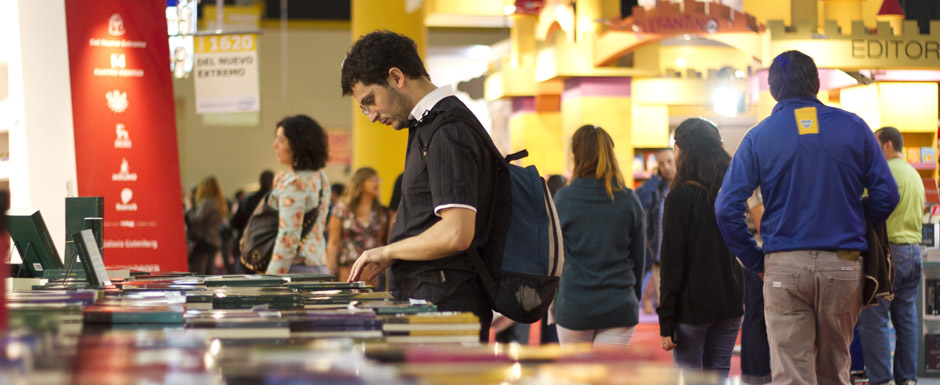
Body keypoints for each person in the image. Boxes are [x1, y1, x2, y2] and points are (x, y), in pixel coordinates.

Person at [715, 50, 899, 385]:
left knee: (791, 376)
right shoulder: (855, 127)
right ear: (816, 84)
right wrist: (856, 221)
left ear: (773, 90)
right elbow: (887, 194)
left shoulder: (759, 136)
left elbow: (726, 207)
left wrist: (755, 260)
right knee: (836, 371)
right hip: (843, 262)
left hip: (784, 265)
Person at [341, 30, 499, 341]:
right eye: (363, 108)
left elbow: (456, 233)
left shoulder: (447, 130)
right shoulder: (429, 126)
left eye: (370, 101)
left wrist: (388, 251)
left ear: (396, 77)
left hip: (445, 313)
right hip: (436, 308)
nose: (371, 116)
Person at [657, 118, 743, 378]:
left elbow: (672, 263)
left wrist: (666, 319)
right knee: (719, 377)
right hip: (730, 301)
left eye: (675, 148)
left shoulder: (680, 196)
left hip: (692, 308)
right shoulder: (729, 192)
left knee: (691, 379)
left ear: (685, 151)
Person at [553, 125, 645, 347]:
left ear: (575, 155)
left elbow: (553, 255)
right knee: (610, 371)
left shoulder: (564, 198)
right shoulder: (628, 199)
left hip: (575, 305)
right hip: (619, 304)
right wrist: (634, 296)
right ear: (611, 154)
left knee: (576, 371)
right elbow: (639, 257)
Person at [857, 126, 925, 385]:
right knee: (906, 320)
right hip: (914, 253)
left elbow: (861, 206)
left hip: (889, 255)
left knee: (874, 318)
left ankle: (882, 380)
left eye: (876, 145)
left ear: (887, 145)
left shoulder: (883, 173)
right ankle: (907, 379)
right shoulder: (914, 175)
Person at [265, 114, 331, 274]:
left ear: (298, 145)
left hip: (296, 269)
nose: (274, 145)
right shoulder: (321, 177)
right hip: (317, 264)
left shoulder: (295, 183)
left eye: (281, 140)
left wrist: (272, 278)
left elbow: (288, 237)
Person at [327, 167, 390, 286]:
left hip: (372, 273)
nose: (377, 183)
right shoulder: (342, 209)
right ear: (360, 184)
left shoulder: (380, 211)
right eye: (372, 179)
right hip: (347, 271)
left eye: (378, 180)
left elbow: (383, 242)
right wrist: (329, 272)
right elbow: (333, 242)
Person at [636, 149, 676, 315]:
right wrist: (653, 180)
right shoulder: (657, 190)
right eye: (661, 164)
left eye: (669, 161)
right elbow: (638, 199)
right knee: (664, 305)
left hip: (681, 256)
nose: (666, 167)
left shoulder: (686, 188)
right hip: (659, 254)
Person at [741, 188, 771, 385]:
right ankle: (757, 375)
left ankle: (757, 374)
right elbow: (762, 224)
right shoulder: (754, 187)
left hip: (756, 253)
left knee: (756, 317)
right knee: (756, 317)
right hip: (758, 253)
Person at [186, 176, 228, 275]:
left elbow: (196, 219)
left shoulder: (207, 202)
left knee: (198, 273)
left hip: (204, 241)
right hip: (214, 241)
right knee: (209, 273)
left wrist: (189, 208)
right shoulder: (219, 203)